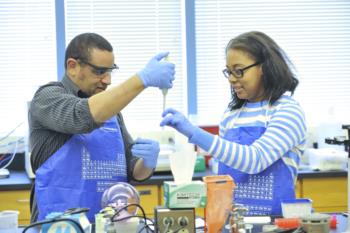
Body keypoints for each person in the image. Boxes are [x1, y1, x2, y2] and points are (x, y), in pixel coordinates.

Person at [28, 32, 175, 222]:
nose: (107, 80)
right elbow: (81, 116)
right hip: (58, 225)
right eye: (99, 72)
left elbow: (132, 169)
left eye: (110, 71)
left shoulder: (111, 111)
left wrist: (146, 164)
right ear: (72, 66)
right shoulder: (47, 97)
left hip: (109, 223)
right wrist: (142, 79)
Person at [160, 31, 306, 216]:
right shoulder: (232, 114)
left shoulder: (287, 111)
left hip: (275, 223)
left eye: (239, 71)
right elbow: (224, 168)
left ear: (264, 68)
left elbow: (255, 160)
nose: (231, 78)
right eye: (229, 71)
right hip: (230, 221)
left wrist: (195, 134)